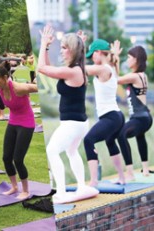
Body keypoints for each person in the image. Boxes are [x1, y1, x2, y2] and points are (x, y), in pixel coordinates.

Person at [38, 24, 96, 203]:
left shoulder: (71, 71)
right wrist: (48, 47)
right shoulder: (77, 69)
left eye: (64, 48)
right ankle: (81, 185)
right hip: (78, 123)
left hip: (72, 123)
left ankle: (61, 191)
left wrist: (42, 43)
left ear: (72, 50)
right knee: (71, 152)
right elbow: (48, 66)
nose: (61, 51)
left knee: (52, 150)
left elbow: (41, 68)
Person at [81, 36, 126, 186]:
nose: (91, 58)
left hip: (111, 117)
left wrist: (79, 47)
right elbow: (113, 60)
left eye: (92, 54)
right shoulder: (112, 67)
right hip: (116, 116)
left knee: (88, 140)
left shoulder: (103, 69)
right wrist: (115, 55)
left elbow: (81, 69)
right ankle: (122, 177)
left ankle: (93, 181)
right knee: (110, 142)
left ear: (99, 52)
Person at [0, 61, 37, 200]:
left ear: (5, 77)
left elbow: (38, 87)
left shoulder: (18, 88)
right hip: (13, 122)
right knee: (6, 158)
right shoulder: (0, 90)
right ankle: (14, 186)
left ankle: (25, 190)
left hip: (27, 123)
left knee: (18, 159)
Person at [111, 42, 152, 181]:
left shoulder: (134, 76)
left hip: (140, 118)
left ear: (136, 59)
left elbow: (115, 80)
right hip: (145, 118)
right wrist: (115, 61)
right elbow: (119, 79)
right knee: (140, 136)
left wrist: (115, 57)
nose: (127, 60)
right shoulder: (141, 75)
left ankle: (130, 173)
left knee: (121, 135)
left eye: (129, 57)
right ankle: (145, 169)